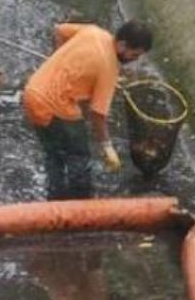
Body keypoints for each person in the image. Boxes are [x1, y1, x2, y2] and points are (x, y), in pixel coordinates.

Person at [22, 20, 153, 199]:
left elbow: (59, 31)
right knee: (79, 155)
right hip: (55, 106)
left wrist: (59, 56)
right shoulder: (109, 67)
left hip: (32, 92)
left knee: (54, 154)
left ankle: (54, 199)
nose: (134, 60)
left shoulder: (93, 32)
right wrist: (107, 146)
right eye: (134, 55)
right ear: (122, 45)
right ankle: (81, 200)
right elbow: (98, 114)